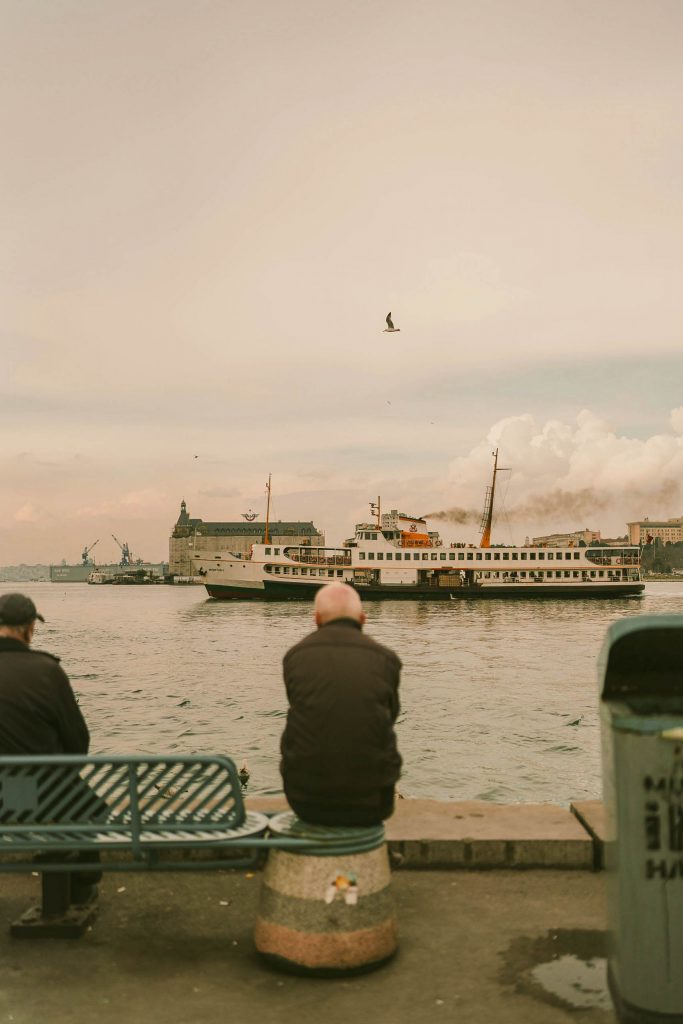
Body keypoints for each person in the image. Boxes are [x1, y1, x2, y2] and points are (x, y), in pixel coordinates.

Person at [0, 592, 102, 900]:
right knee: (85, 805)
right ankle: (81, 884)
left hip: (6, 798)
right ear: (30, 627)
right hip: (44, 797)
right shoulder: (47, 671)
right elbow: (78, 741)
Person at [280, 582, 402, 826]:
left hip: (305, 802)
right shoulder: (386, 659)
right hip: (374, 804)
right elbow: (391, 716)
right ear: (363, 619)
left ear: (316, 619)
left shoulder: (295, 656)